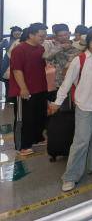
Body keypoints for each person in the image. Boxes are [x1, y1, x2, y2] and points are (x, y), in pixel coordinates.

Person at [49, 29, 92, 192]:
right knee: (81, 140)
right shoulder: (80, 59)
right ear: (88, 42)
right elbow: (67, 82)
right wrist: (57, 102)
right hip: (85, 105)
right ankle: (70, 176)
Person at [9, 23, 48, 155]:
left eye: (44, 35)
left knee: (38, 116)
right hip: (25, 91)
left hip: (40, 88)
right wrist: (23, 88)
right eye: (41, 36)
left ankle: (37, 138)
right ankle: (22, 146)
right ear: (31, 35)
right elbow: (17, 70)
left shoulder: (41, 49)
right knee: (24, 119)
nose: (43, 38)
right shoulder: (19, 49)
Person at [1, 26, 22, 95]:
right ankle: (9, 100)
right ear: (12, 33)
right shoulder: (7, 39)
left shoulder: (23, 40)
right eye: (15, 33)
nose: (17, 35)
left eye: (19, 33)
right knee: (8, 87)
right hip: (7, 64)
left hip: (19, 64)